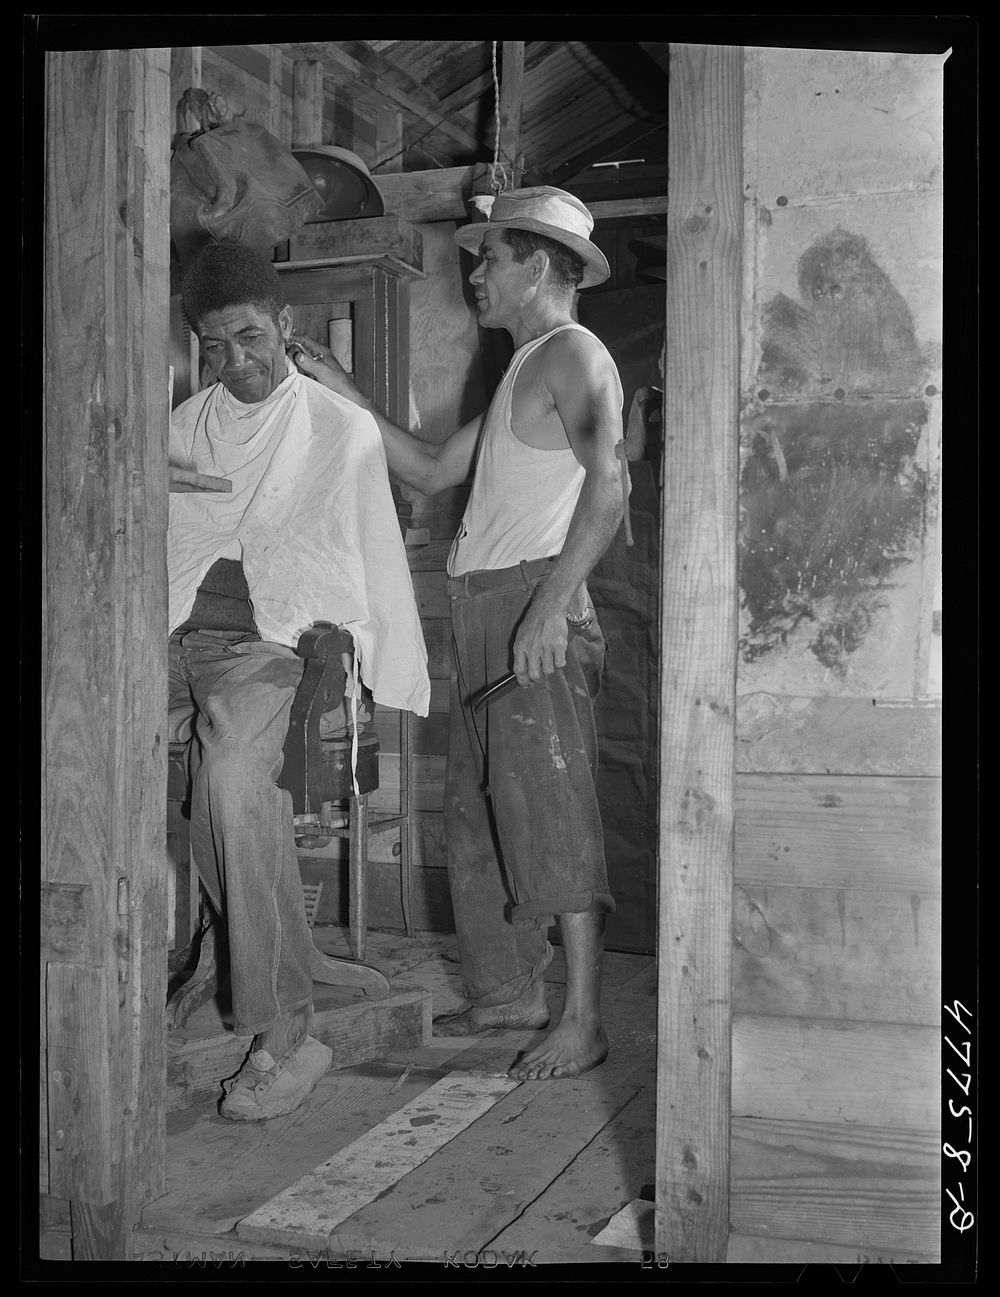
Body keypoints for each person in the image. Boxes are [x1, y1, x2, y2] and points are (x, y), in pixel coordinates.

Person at [292, 187, 627, 1080]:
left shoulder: (574, 355)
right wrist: (343, 388)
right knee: (480, 816)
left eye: (491, 259)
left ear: (540, 267)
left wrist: (553, 605)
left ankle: (582, 1017)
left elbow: (611, 484)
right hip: (487, 608)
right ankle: (510, 989)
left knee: (550, 811)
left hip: (533, 606)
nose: (475, 274)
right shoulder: (523, 370)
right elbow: (436, 469)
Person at [167, 241, 428, 1120]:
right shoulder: (184, 425)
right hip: (168, 640)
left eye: (249, 337)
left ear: (285, 323)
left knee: (237, 779)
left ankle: (285, 1023)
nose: (235, 363)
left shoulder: (337, 428)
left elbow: (358, 565)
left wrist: (363, 663)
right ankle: (249, 960)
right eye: (214, 346)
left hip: (270, 647)